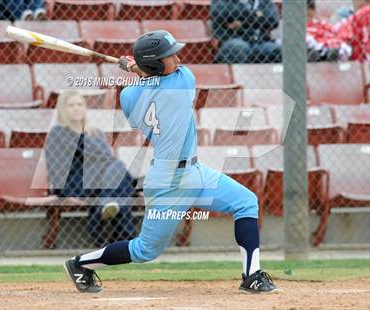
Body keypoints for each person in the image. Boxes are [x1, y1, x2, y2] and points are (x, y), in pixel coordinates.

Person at [63, 30, 278, 293]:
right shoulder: (183, 82)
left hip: (195, 171)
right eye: (169, 55)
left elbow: (147, 88)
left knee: (245, 202)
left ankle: (251, 275)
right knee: (144, 250)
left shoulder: (127, 97)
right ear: (154, 63)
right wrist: (139, 69)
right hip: (169, 181)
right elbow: (165, 81)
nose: (177, 58)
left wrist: (140, 71)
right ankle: (80, 264)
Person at [45, 90, 137, 248]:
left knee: (115, 170)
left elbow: (106, 159)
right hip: (75, 183)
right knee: (118, 172)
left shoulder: (95, 133)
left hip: (102, 181)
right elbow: (55, 169)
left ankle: (105, 206)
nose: (76, 108)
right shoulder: (58, 133)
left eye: (79, 104)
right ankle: (124, 237)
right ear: (63, 110)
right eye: (71, 105)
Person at [211, 0, 281, 63]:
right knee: (238, 47)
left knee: (280, 50)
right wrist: (258, 14)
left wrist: (242, 22)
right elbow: (222, 13)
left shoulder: (262, 1)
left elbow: (273, 19)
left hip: (259, 44)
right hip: (233, 41)